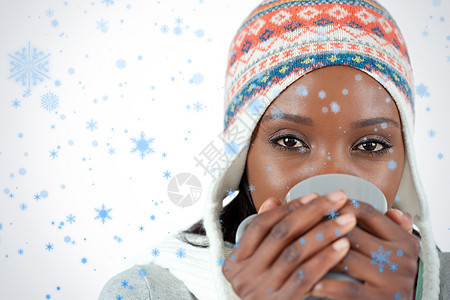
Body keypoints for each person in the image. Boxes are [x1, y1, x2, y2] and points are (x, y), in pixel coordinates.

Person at [98, 0, 450, 299]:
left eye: (371, 144)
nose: (333, 180)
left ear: (406, 164)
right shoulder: (148, 290)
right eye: (289, 141)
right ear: (240, 159)